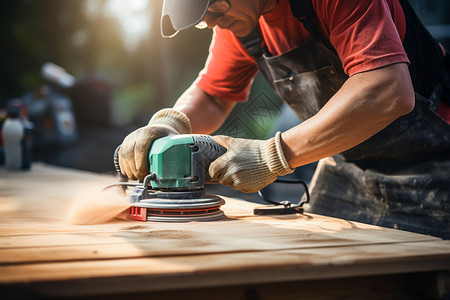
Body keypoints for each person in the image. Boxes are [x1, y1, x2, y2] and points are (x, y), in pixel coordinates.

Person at [119, 0, 450, 238]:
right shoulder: (240, 21)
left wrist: (271, 156)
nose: (215, 22)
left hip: (435, 161)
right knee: (322, 266)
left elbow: (388, 88)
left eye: (216, 8)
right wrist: (169, 124)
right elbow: (212, 94)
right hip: (348, 164)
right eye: (206, 19)